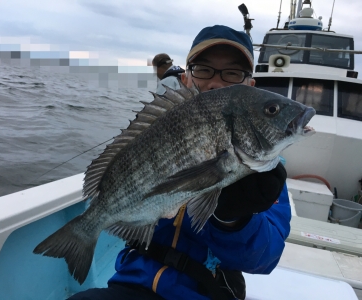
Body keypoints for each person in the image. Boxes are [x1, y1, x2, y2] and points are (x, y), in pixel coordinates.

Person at [68, 25, 290, 300]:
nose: (215, 83)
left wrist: (233, 219)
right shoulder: (159, 128)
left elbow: (266, 258)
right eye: (203, 69)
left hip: (209, 291)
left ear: (250, 85)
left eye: (232, 73)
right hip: (133, 281)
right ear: (186, 78)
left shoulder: (266, 170)